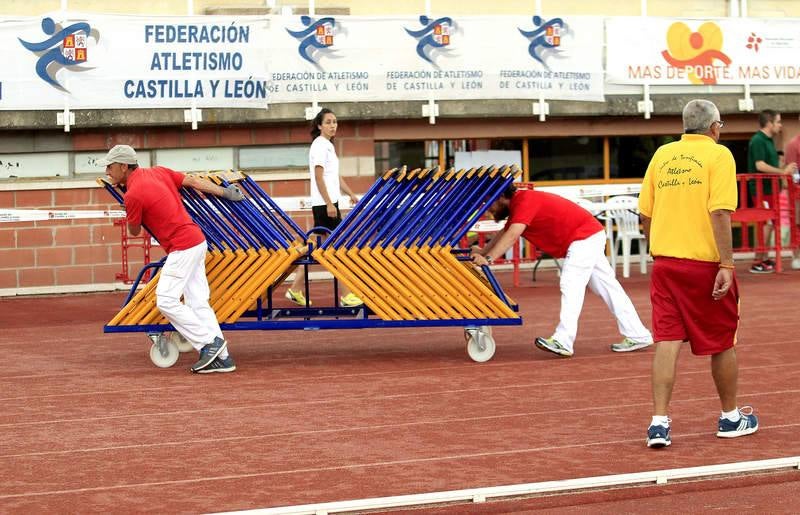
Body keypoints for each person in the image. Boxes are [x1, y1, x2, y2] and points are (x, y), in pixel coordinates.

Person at [640, 99, 758, 449]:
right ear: (714, 127)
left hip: (665, 262)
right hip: (704, 264)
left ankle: (658, 423)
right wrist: (726, 263)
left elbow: (645, 214)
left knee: (667, 339)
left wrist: (657, 246)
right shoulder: (719, 156)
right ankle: (730, 416)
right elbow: (720, 212)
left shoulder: (662, 155)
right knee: (722, 341)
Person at [100, 144, 243, 374]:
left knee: (166, 300)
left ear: (124, 167)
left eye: (110, 166)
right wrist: (225, 193)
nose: (107, 171)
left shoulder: (133, 194)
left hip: (182, 246)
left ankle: (210, 343)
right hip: (196, 240)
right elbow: (194, 182)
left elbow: (135, 230)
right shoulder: (158, 171)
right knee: (198, 302)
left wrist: (129, 208)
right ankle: (223, 358)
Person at [471, 186, 653, 357]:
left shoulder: (524, 200)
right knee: (609, 288)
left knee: (571, 283)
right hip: (588, 235)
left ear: (502, 197)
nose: (489, 209)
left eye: (490, 203)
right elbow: (505, 232)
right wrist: (483, 252)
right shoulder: (520, 204)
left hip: (584, 237)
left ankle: (563, 340)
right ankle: (638, 334)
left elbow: (513, 235)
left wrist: (487, 259)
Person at [284, 107, 363, 308]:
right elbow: (318, 177)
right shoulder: (319, 146)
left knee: (315, 247)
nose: (332, 125)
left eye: (335, 122)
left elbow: (334, 177)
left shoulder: (328, 146)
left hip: (329, 203)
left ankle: (295, 288)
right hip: (324, 204)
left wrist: (351, 194)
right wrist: (329, 203)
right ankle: (346, 295)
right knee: (336, 249)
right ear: (319, 126)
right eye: (328, 122)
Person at [746, 109, 798, 273]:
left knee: (770, 223)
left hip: (770, 189)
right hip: (762, 190)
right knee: (765, 223)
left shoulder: (767, 140)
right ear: (769, 123)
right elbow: (759, 165)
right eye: (778, 122)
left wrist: (784, 169)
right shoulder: (758, 140)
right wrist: (782, 171)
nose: (780, 125)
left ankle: (765, 258)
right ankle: (757, 260)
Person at [782, 117, 800, 270]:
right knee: (797, 224)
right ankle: (797, 256)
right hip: (797, 193)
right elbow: (792, 172)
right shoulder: (793, 145)